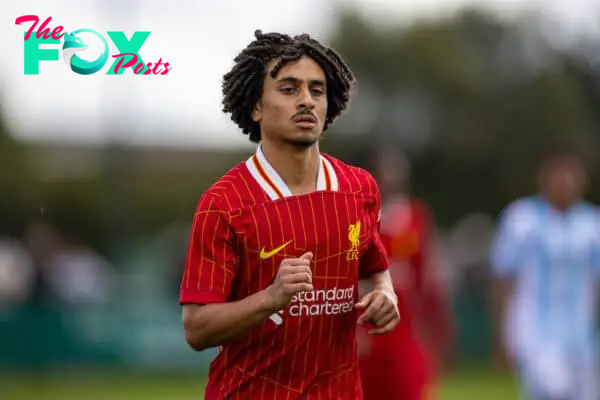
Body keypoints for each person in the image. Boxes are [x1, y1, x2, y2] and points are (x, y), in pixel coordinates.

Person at [179, 30, 400, 399]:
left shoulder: (359, 188)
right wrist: (270, 298)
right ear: (256, 107)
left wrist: (386, 296)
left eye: (317, 90)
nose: (306, 101)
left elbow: (375, 269)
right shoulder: (224, 203)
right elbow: (196, 328)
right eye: (288, 89)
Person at [491, 147, 600, 400]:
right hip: (535, 333)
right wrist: (499, 336)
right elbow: (503, 279)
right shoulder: (522, 219)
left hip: (580, 333)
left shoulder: (592, 224)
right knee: (552, 391)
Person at [358, 150, 455, 400]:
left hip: (406, 330)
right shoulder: (359, 218)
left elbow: (428, 275)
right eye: (386, 172)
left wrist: (438, 326)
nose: (392, 179)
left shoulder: (415, 217)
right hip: (368, 331)